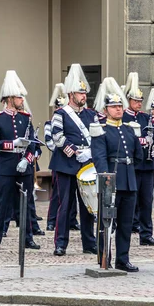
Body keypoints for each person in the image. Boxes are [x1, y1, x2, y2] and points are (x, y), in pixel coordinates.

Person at [90, 78, 142, 272]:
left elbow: (137, 156)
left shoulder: (129, 130)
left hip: (128, 181)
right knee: (107, 223)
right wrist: (107, 179)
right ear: (106, 110)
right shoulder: (100, 130)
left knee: (126, 224)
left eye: (120, 106)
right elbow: (99, 158)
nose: (118, 110)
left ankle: (123, 258)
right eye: (114, 107)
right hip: (111, 181)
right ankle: (105, 257)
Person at [0, 70, 40, 251]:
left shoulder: (25, 118)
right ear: (10, 98)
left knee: (26, 205)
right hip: (6, 166)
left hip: (23, 167)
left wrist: (27, 159)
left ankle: (28, 237)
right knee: (1, 203)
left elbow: (33, 144)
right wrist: (12, 144)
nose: (22, 100)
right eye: (19, 97)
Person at [49, 64, 96, 256]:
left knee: (88, 205)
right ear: (71, 94)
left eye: (84, 93)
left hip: (87, 164)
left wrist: (90, 152)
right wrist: (76, 152)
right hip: (67, 164)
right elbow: (58, 137)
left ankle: (89, 243)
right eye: (79, 93)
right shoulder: (60, 114)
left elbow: (97, 136)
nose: (83, 96)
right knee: (65, 205)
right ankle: (61, 243)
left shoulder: (91, 114)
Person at [123, 73, 154, 246]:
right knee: (130, 201)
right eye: (136, 100)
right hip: (132, 165)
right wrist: (140, 141)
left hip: (147, 165)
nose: (139, 103)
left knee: (146, 201)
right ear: (128, 100)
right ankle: (127, 230)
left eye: (140, 100)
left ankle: (146, 234)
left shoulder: (146, 118)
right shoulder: (123, 118)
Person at [45, 83, 79, 232]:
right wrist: (66, 150)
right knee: (58, 196)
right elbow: (50, 142)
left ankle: (72, 219)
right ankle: (52, 221)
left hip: (72, 159)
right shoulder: (51, 122)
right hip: (60, 159)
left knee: (74, 196)